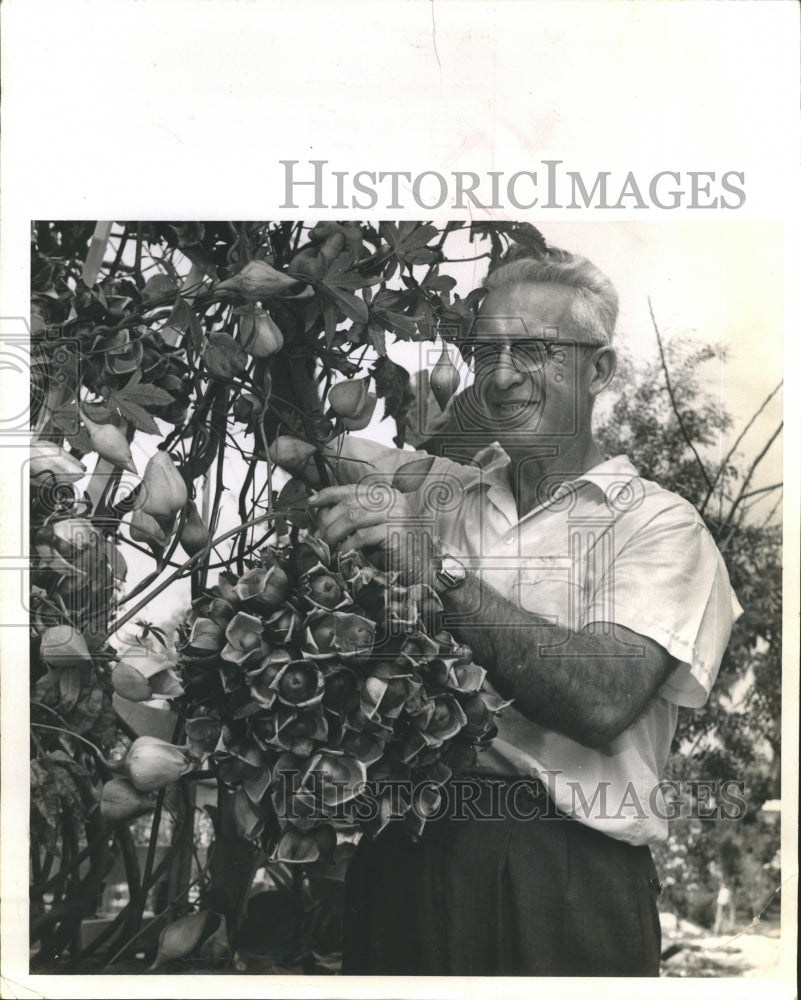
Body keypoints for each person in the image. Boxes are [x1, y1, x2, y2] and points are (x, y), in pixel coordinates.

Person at [271, 246, 741, 976]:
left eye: (534, 351)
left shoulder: (657, 524)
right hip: (405, 855)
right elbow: (301, 439)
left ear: (599, 371)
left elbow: (603, 698)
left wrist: (436, 569)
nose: (501, 375)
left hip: (562, 874)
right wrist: (297, 283)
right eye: (485, 351)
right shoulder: (442, 492)